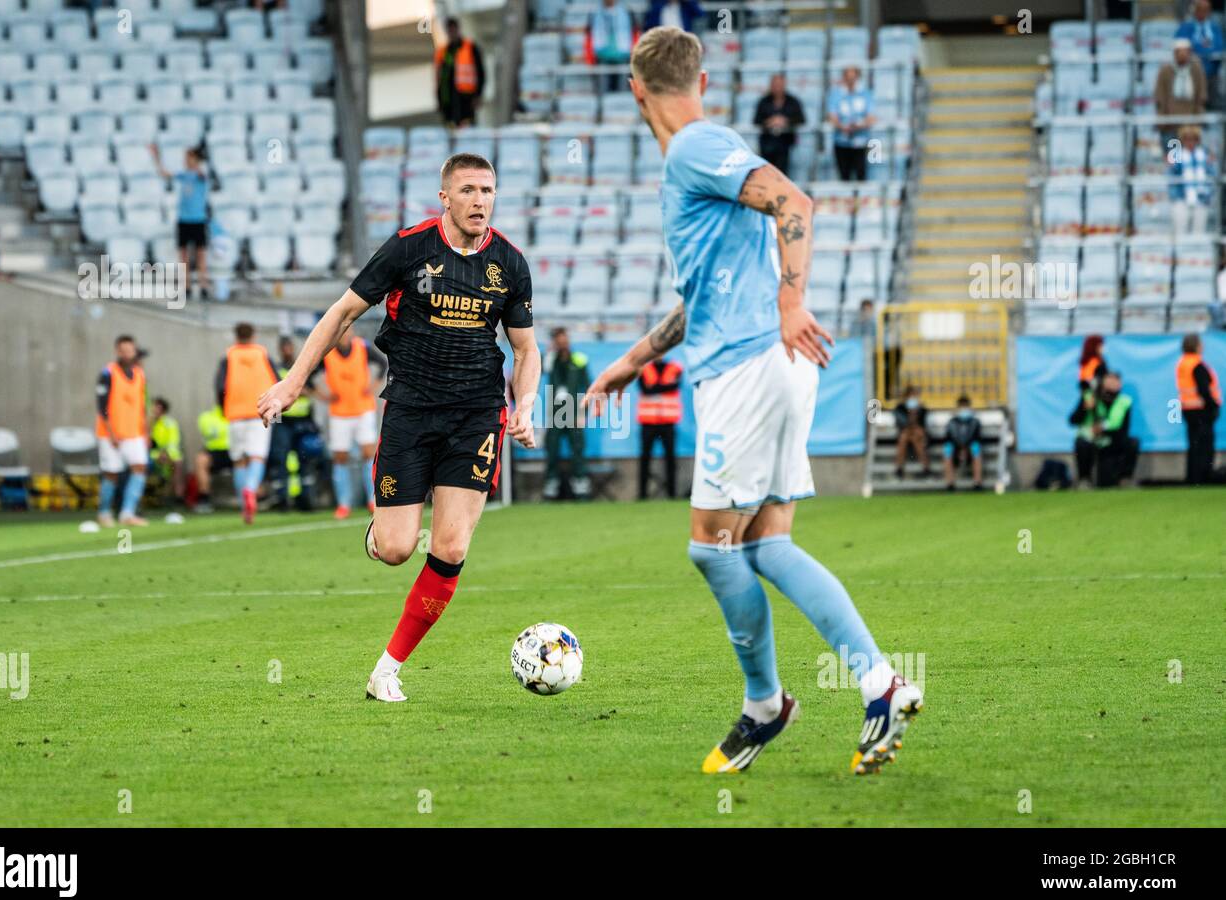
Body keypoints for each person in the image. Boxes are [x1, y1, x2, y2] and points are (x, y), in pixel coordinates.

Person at [585, 27, 921, 776]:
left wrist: (789, 301)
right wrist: (632, 362)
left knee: (711, 547)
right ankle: (877, 682)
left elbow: (795, 200)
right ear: (701, 80)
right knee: (767, 543)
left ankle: (768, 702)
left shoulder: (692, 149)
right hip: (770, 364)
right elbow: (699, 298)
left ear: (636, 91)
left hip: (750, 367)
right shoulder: (711, 152)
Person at [255, 152, 541, 704]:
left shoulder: (510, 262)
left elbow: (525, 348)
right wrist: (292, 383)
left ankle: (387, 668)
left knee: (452, 546)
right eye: (468, 190)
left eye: (488, 190)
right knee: (395, 549)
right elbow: (340, 314)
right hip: (409, 409)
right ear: (445, 197)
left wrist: (524, 404)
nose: (480, 200)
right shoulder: (408, 249)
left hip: (477, 413)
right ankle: (383, 533)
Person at [217, 323, 277, 523]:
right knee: (257, 457)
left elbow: (219, 385)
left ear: (236, 335)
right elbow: (277, 381)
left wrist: (223, 407)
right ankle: (251, 490)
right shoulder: (262, 353)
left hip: (235, 414)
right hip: (259, 413)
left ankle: (245, 506)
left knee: (239, 460)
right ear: (253, 335)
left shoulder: (229, 355)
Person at [322, 326, 380, 519]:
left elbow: (382, 364)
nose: (346, 335)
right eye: (342, 332)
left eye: (348, 331)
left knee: (367, 454)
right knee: (340, 457)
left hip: (363, 410)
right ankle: (343, 503)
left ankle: (372, 500)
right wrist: (322, 395)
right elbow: (309, 375)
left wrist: (373, 386)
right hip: (339, 413)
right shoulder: (328, 352)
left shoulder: (362, 347)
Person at [95, 335, 149, 527]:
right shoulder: (108, 373)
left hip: (134, 432)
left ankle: (127, 512)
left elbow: (142, 407)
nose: (127, 354)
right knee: (112, 473)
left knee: (140, 468)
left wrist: (145, 432)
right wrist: (111, 432)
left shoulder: (140, 374)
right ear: (118, 351)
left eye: (130, 350)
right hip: (112, 434)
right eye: (124, 350)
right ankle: (104, 512)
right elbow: (102, 407)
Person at [267, 336, 323, 512]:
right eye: (284, 348)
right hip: (283, 421)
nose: (287, 350)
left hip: (303, 421)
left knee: (305, 459)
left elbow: (312, 391)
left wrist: (301, 391)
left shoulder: (303, 369)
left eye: (289, 347)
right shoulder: (276, 369)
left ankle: (305, 498)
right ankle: (282, 499)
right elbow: (274, 393)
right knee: (281, 459)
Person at [150, 144, 210, 297]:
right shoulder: (183, 175)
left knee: (200, 255)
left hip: (198, 220)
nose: (185, 160)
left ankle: (203, 286)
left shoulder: (200, 175)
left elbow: (202, 175)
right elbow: (164, 173)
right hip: (184, 220)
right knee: (183, 257)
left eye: (188, 157)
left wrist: (197, 160)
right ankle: (187, 286)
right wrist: (156, 156)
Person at [543, 327, 591, 500]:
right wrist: (549, 353)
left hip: (573, 413)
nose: (562, 342)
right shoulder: (550, 360)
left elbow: (587, 388)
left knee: (577, 451)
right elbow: (538, 369)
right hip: (555, 415)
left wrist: (582, 413)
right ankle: (551, 491)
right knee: (552, 451)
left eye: (564, 338)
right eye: (558, 339)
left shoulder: (578, 360)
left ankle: (581, 490)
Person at [1072, 371, 1140, 488]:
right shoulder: (1090, 397)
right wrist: (1084, 407)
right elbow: (1073, 420)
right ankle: (1084, 480)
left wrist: (1103, 430)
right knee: (1081, 443)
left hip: (1112, 439)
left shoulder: (1124, 401)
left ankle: (1125, 479)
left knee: (1132, 442)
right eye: (1110, 380)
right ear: (1102, 382)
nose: (1114, 383)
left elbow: (1124, 430)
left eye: (1117, 381)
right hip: (1092, 439)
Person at [1176, 332, 1221, 484]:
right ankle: (1203, 477)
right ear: (1197, 346)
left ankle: (1193, 477)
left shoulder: (1183, 363)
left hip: (1188, 409)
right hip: (1201, 411)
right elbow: (1204, 389)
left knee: (1194, 445)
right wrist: (1214, 406)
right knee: (1204, 445)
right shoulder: (1197, 364)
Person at [637, 355, 682, 499]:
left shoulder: (675, 368)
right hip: (648, 422)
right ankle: (642, 495)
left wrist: (654, 387)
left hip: (668, 422)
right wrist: (664, 387)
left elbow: (675, 386)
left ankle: (672, 494)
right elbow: (645, 389)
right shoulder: (643, 368)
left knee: (670, 459)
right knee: (645, 459)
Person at [1155, 39, 1207, 153]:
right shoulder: (1165, 70)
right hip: (1170, 120)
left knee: (1190, 155)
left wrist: (1198, 116)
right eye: (1180, 52)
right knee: (1174, 157)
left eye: (1186, 52)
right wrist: (1163, 117)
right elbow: (1160, 95)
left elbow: (1201, 93)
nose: (1183, 55)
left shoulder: (1196, 69)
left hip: (1191, 120)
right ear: (1175, 53)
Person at [826, 66, 875, 182]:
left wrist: (859, 125)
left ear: (858, 78)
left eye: (853, 78)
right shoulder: (835, 94)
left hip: (861, 142)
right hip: (841, 142)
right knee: (844, 177)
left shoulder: (865, 94)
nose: (850, 81)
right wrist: (842, 126)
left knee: (861, 175)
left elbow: (871, 117)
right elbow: (832, 116)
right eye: (848, 78)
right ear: (844, 78)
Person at [434, 18, 485, 127]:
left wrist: (478, 94)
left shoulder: (470, 47)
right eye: (449, 30)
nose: (451, 33)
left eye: (453, 29)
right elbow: (439, 78)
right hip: (448, 99)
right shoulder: (442, 52)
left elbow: (481, 73)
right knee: (451, 129)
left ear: (458, 29)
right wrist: (439, 100)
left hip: (466, 98)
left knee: (467, 128)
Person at [753, 73, 805, 176]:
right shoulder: (763, 101)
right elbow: (756, 121)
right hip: (767, 143)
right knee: (767, 174)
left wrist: (785, 121)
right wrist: (770, 121)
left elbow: (801, 119)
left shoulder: (793, 101)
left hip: (787, 143)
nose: (777, 87)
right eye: (775, 84)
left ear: (784, 85)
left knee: (784, 174)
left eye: (780, 84)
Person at [1169, 125, 1215, 236]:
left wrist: (1207, 193)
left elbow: (1212, 177)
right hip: (1181, 197)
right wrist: (1177, 196)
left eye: (1193, 139)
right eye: (1187, 139)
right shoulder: (1176, 156)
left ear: (1198, 140)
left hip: (1201, 198)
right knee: (1180, 231)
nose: (1190, 142)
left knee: (1199, 232)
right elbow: (1171, 178)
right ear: (1182, 140)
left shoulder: (1205, 155)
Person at [1176, 0, 1223, 106]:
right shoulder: (1186, 27)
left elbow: (1220, 47)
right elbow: (1181, 46)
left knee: (1213, 103)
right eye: (1200, 9)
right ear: (1195, 10)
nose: (1203, 13)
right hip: (1190, 74)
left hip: (1212, 74)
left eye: (1206, 10)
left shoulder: (1214, 27)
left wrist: (1202, 51)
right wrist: (1204, 51)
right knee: (1193, 104)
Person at [589, 0, 636, 93]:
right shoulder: (594, 13)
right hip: (602, 56)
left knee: (623, 89)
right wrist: (591, 57)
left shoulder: (628, 12)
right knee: (603, 89)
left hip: (623, 55)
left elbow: (634, 34)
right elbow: (589, 37)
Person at [193, 404, 231, 513]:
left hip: (236, 451)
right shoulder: (206, 417)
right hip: (215, 452)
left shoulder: (239, 414)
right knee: (200, 459)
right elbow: (208, 434)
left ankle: (253, 497)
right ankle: (204, 498)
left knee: (252, 459)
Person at [942, 395, 983, 491]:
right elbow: (949, 438)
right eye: (962, 406)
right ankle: (950, 483)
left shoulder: (975, 422)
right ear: (958, 408)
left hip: (970, 447)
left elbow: (976, 437)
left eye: (966, 406)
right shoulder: (952, 422)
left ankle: (977, 482)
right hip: (956, 448)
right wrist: (960, 449)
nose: (964, 409)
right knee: (947, 449)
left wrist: (966, 448)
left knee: (976, 448)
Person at [149, 396, 184, 506]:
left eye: (157, 408)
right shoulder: (148, 423)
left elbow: (174, 442)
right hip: (151, 456)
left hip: (168, 455)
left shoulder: (170, 423)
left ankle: (178, 497)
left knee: (177, 464)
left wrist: (165, 453)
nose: (154, 410)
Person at [893, 386, 930, 478]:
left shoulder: (922, 409)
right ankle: (899, 467)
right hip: (906, 433)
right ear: (906, 396)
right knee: (904, 437)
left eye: (915, 395)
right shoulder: (900, 408)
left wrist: (916, 411)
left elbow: (922, 426)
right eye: (911, 395)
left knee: (916, 437)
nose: (913, 398)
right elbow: (902, 423)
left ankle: (925, 467)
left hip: (917, 434)